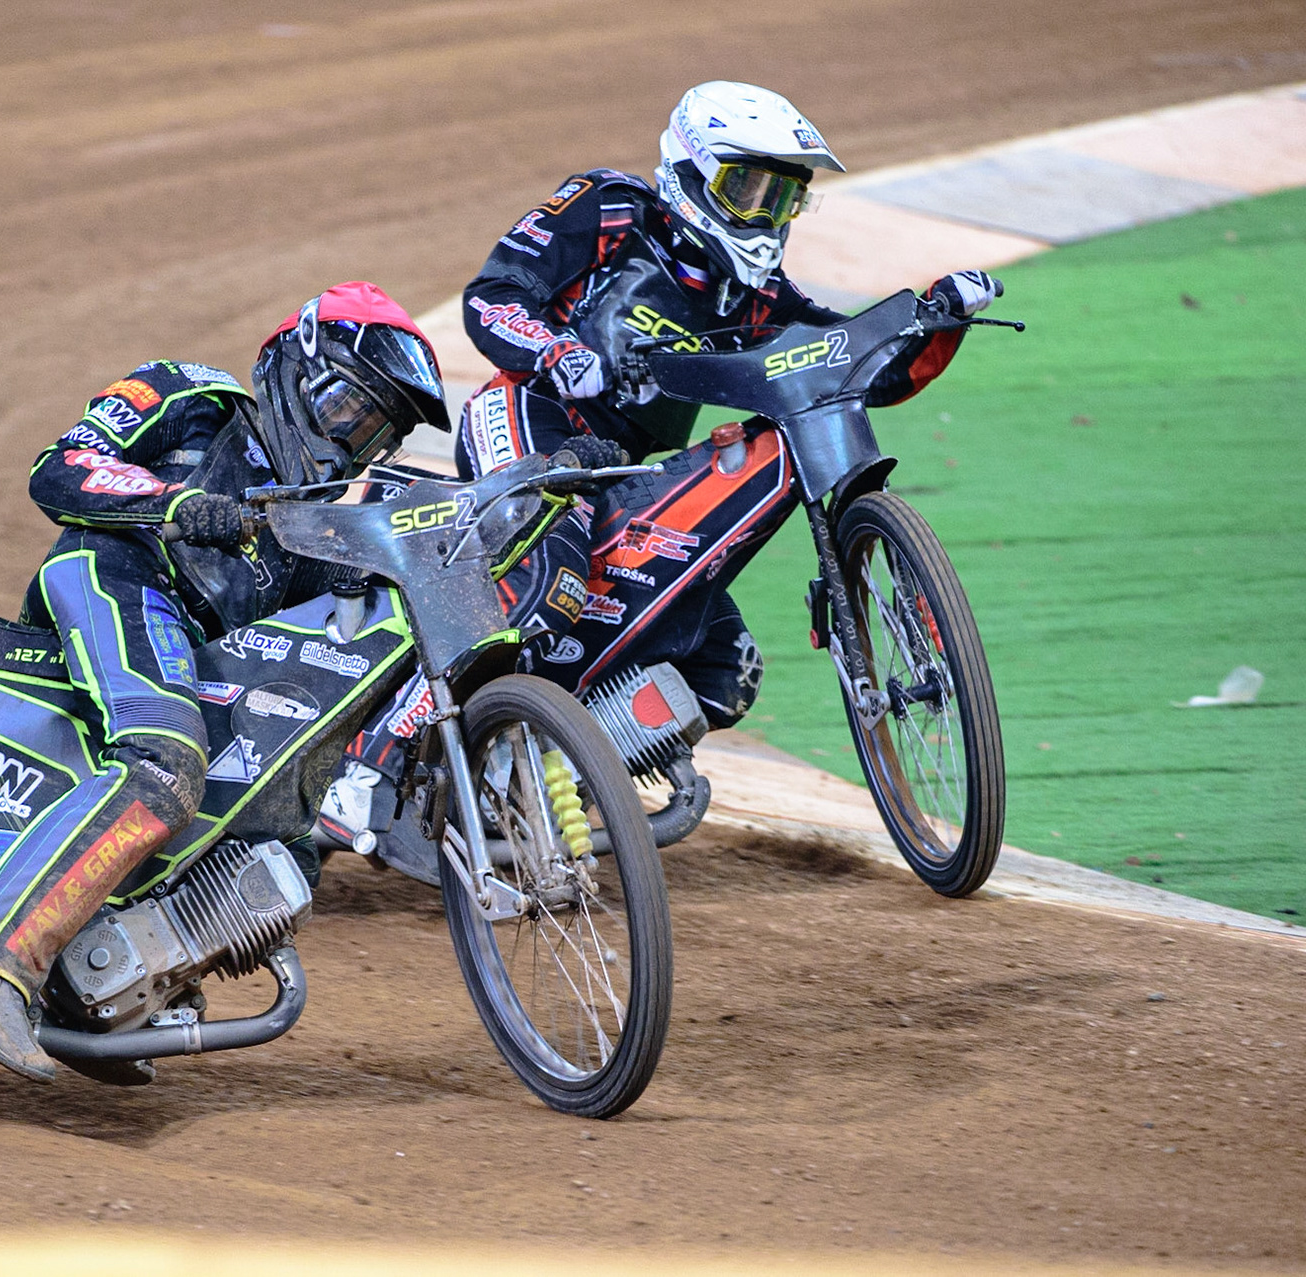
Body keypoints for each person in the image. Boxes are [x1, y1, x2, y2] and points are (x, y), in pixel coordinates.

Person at [321, 81, 1003, 848]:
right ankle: (365, 767)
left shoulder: (753, 294)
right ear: (690, 169)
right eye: (746, 188)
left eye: (783, 199)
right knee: (552, 575)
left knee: (724, 666)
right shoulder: (610, 208)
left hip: (622, 470)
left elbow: (857, 367)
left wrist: (937, 321)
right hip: (528, 418)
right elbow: (492, 297)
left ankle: (548, 770)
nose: (765, 215)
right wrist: (557, 350)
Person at [0, 282, 448, 1079]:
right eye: (346, 410)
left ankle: (99, 988)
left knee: (286, 837)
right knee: (166, 760)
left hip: (190, 655)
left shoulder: (321, 523)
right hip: (113, 575)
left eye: (372, 433)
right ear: (292, 365)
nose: (347, 445)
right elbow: (58, 468)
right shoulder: (191, 394)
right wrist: (177, 502)